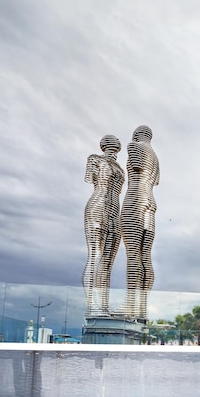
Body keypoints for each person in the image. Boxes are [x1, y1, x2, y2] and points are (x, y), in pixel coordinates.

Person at [118, 125, 160, 320]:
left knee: (133, 253)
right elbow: (155, 181)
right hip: (150, 202)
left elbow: (135, 167)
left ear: (136, 135)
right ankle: (142, 309)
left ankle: (130, 305)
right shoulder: (156, 157)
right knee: (146, 255)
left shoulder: (134, 147)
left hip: (135, 197)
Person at [82, 135, 124, 316]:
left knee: (107, 262)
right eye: (110, 143)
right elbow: (90, 178)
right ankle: (92, 305)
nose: (114, 145)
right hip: (98, 206)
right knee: (95, 255)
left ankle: (104, 307)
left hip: (116, 211)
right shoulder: (94, 159)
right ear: (103, 145)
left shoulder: (121, 168)